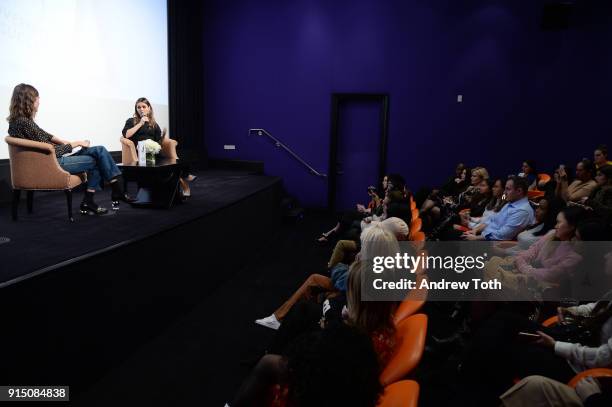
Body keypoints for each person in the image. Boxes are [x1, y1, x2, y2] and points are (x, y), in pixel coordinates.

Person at [7, 83, 133, 214]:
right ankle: (109, 192)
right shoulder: (26, 123)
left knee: (99, 150)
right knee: (98, 157)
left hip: (48, 162)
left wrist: (62, 141)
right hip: (54, 164)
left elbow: (44, 135)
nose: (39, 102)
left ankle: (108, 192)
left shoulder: (17, 122)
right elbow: (52, 152)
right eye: (37, 99)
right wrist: (76, 143)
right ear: (29, 100)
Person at [122, 97, 197, 193]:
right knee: (168, 166)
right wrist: (140, 123)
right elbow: (126, 134)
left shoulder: (153, 124)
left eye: (144, 107)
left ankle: (184, 179)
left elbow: (159, 142)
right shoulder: (131, 121)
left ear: (149, 108)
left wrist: (163, 136)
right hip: (141, 153)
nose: (141, 109)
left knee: (173, 163)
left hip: (154, 153)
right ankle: (185, 181)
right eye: (138, 107)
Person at [462, 176, 535, 241]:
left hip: (493, 244)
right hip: (483, 235)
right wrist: (475, 230)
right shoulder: (510, 203)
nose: (505, 192)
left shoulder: (522, 211)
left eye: (507, 189)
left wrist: (475, 237)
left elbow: (503, 235)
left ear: (519, 191)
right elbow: (491, 220)